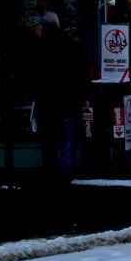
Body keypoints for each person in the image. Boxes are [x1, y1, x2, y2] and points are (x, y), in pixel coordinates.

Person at [32, 12, 88, 182]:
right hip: (67, 100)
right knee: (68, 137)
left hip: (46, 102)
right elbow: (81, 72)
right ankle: (66, 169)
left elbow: (31, 75)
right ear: (57, 25)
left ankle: (51, 170)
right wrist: (82, 94)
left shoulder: (38, 47)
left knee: (48, 138)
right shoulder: (69, 45)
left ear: (42, 26)